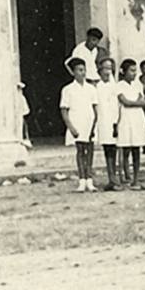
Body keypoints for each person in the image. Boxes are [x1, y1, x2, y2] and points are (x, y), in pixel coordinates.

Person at [59, 58, 99, 192]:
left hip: (89, 123)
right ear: (73, 72)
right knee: (81, 151)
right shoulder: (68, 89)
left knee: (90, 152)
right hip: (77, 122)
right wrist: (71, 128)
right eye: (80, 70)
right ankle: (82, 181)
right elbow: (64, 110)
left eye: (84, 70)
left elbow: (95, 109)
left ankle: (90, 180)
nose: (83, 73)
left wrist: (94, 126)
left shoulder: (91, 89)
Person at [114, 59, 145, 189]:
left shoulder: (137, 85)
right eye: (131, 70)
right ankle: (125, 176)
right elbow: (125, 102)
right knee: (125, 148)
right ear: (124, 71)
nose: (134, 73)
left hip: (137, 119)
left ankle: (135, 179)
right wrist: (140, 103)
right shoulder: (119, 85)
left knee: (136, 149)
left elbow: (141, 98)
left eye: (136, 71)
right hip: (126, 119)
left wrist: (140, 103)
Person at [93, 58, 123, 189]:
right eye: (105, 68)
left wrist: (116, 122)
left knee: (114, 150)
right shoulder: (97, 87)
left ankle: (115, 178)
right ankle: (111, 178)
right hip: (103, 122)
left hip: (114, 121)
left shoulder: (114, 86)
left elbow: (117, 106)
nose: (107, 71)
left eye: (110, 68)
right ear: (99, 69)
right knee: (108, 150)